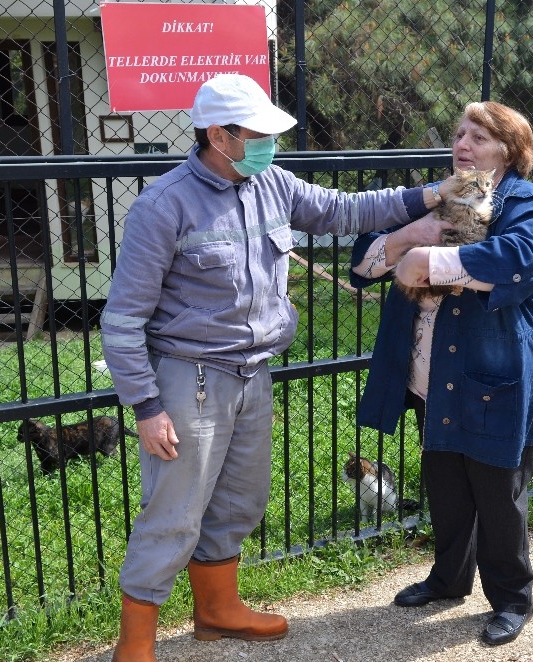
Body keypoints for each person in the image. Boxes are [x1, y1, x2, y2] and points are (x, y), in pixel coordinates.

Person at [100, 74, 445, 661]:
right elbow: (123, 319)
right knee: (174, 512)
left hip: (252, 373)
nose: (269, 145)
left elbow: (344, 210)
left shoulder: (272, 183)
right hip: (190, 378)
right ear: (219, 136)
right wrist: (147, 407)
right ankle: (134, 644)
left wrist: (432, 194)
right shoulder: (163, 206)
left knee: (241, 498)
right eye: (258, 134)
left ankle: (216, 611)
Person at [349, 101, 533, 646]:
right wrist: (413, 233)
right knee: (445, 484)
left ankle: (511, 598)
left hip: (497, 377)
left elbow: (522, 260)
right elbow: (363, 264)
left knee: (497, 494)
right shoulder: (438, 196)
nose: (463, 144)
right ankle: (449, 578)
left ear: (509, 152)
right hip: (434, 375)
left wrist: (430, 261)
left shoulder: (529, 204)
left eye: (479, 137)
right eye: (460, 134)